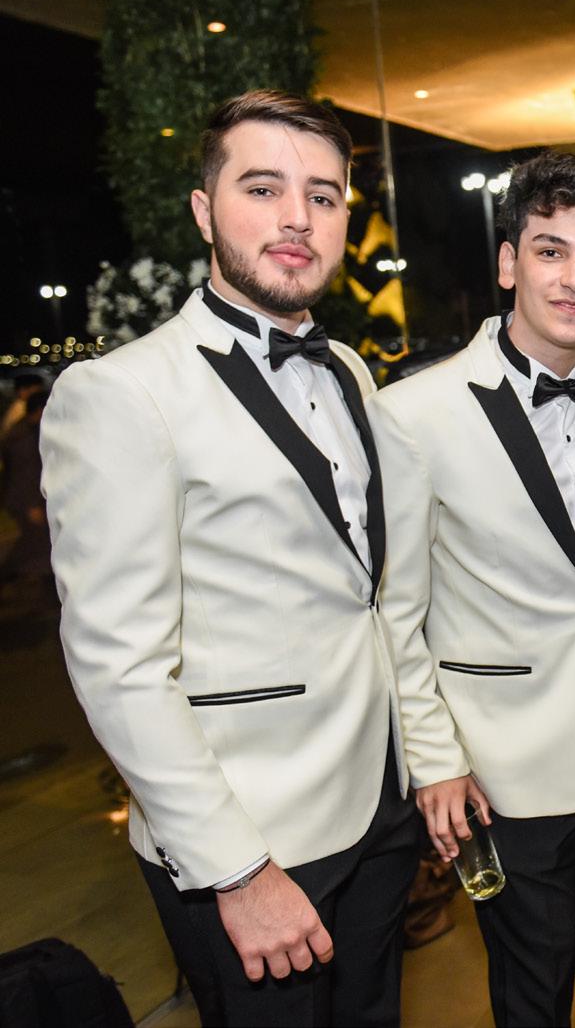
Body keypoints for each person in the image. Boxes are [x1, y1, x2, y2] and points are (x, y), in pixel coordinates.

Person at [41, 90, 418, 1027]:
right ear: (205, 211)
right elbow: (119, 666)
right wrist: (236, 870)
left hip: (378, 808)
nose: (297, 217)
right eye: (262, 188)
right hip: (252, 839)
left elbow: (367, 595)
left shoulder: (349, 371)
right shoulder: (120, 393)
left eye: (323, 196)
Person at [369, 152, 575, 1027]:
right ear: (509, 263)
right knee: (533, 986)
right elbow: (394, 613)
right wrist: (435, 760)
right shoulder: (414, 413)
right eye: (551, 252)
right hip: (502, 757)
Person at [1, 388, 51, 596]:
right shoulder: (23, 438)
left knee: (35, 543)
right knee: (34, 543)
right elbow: (25, 474)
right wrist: (31, 505)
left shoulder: (25, 430)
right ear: (39, 410)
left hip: (20, 499)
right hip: (23, 501)